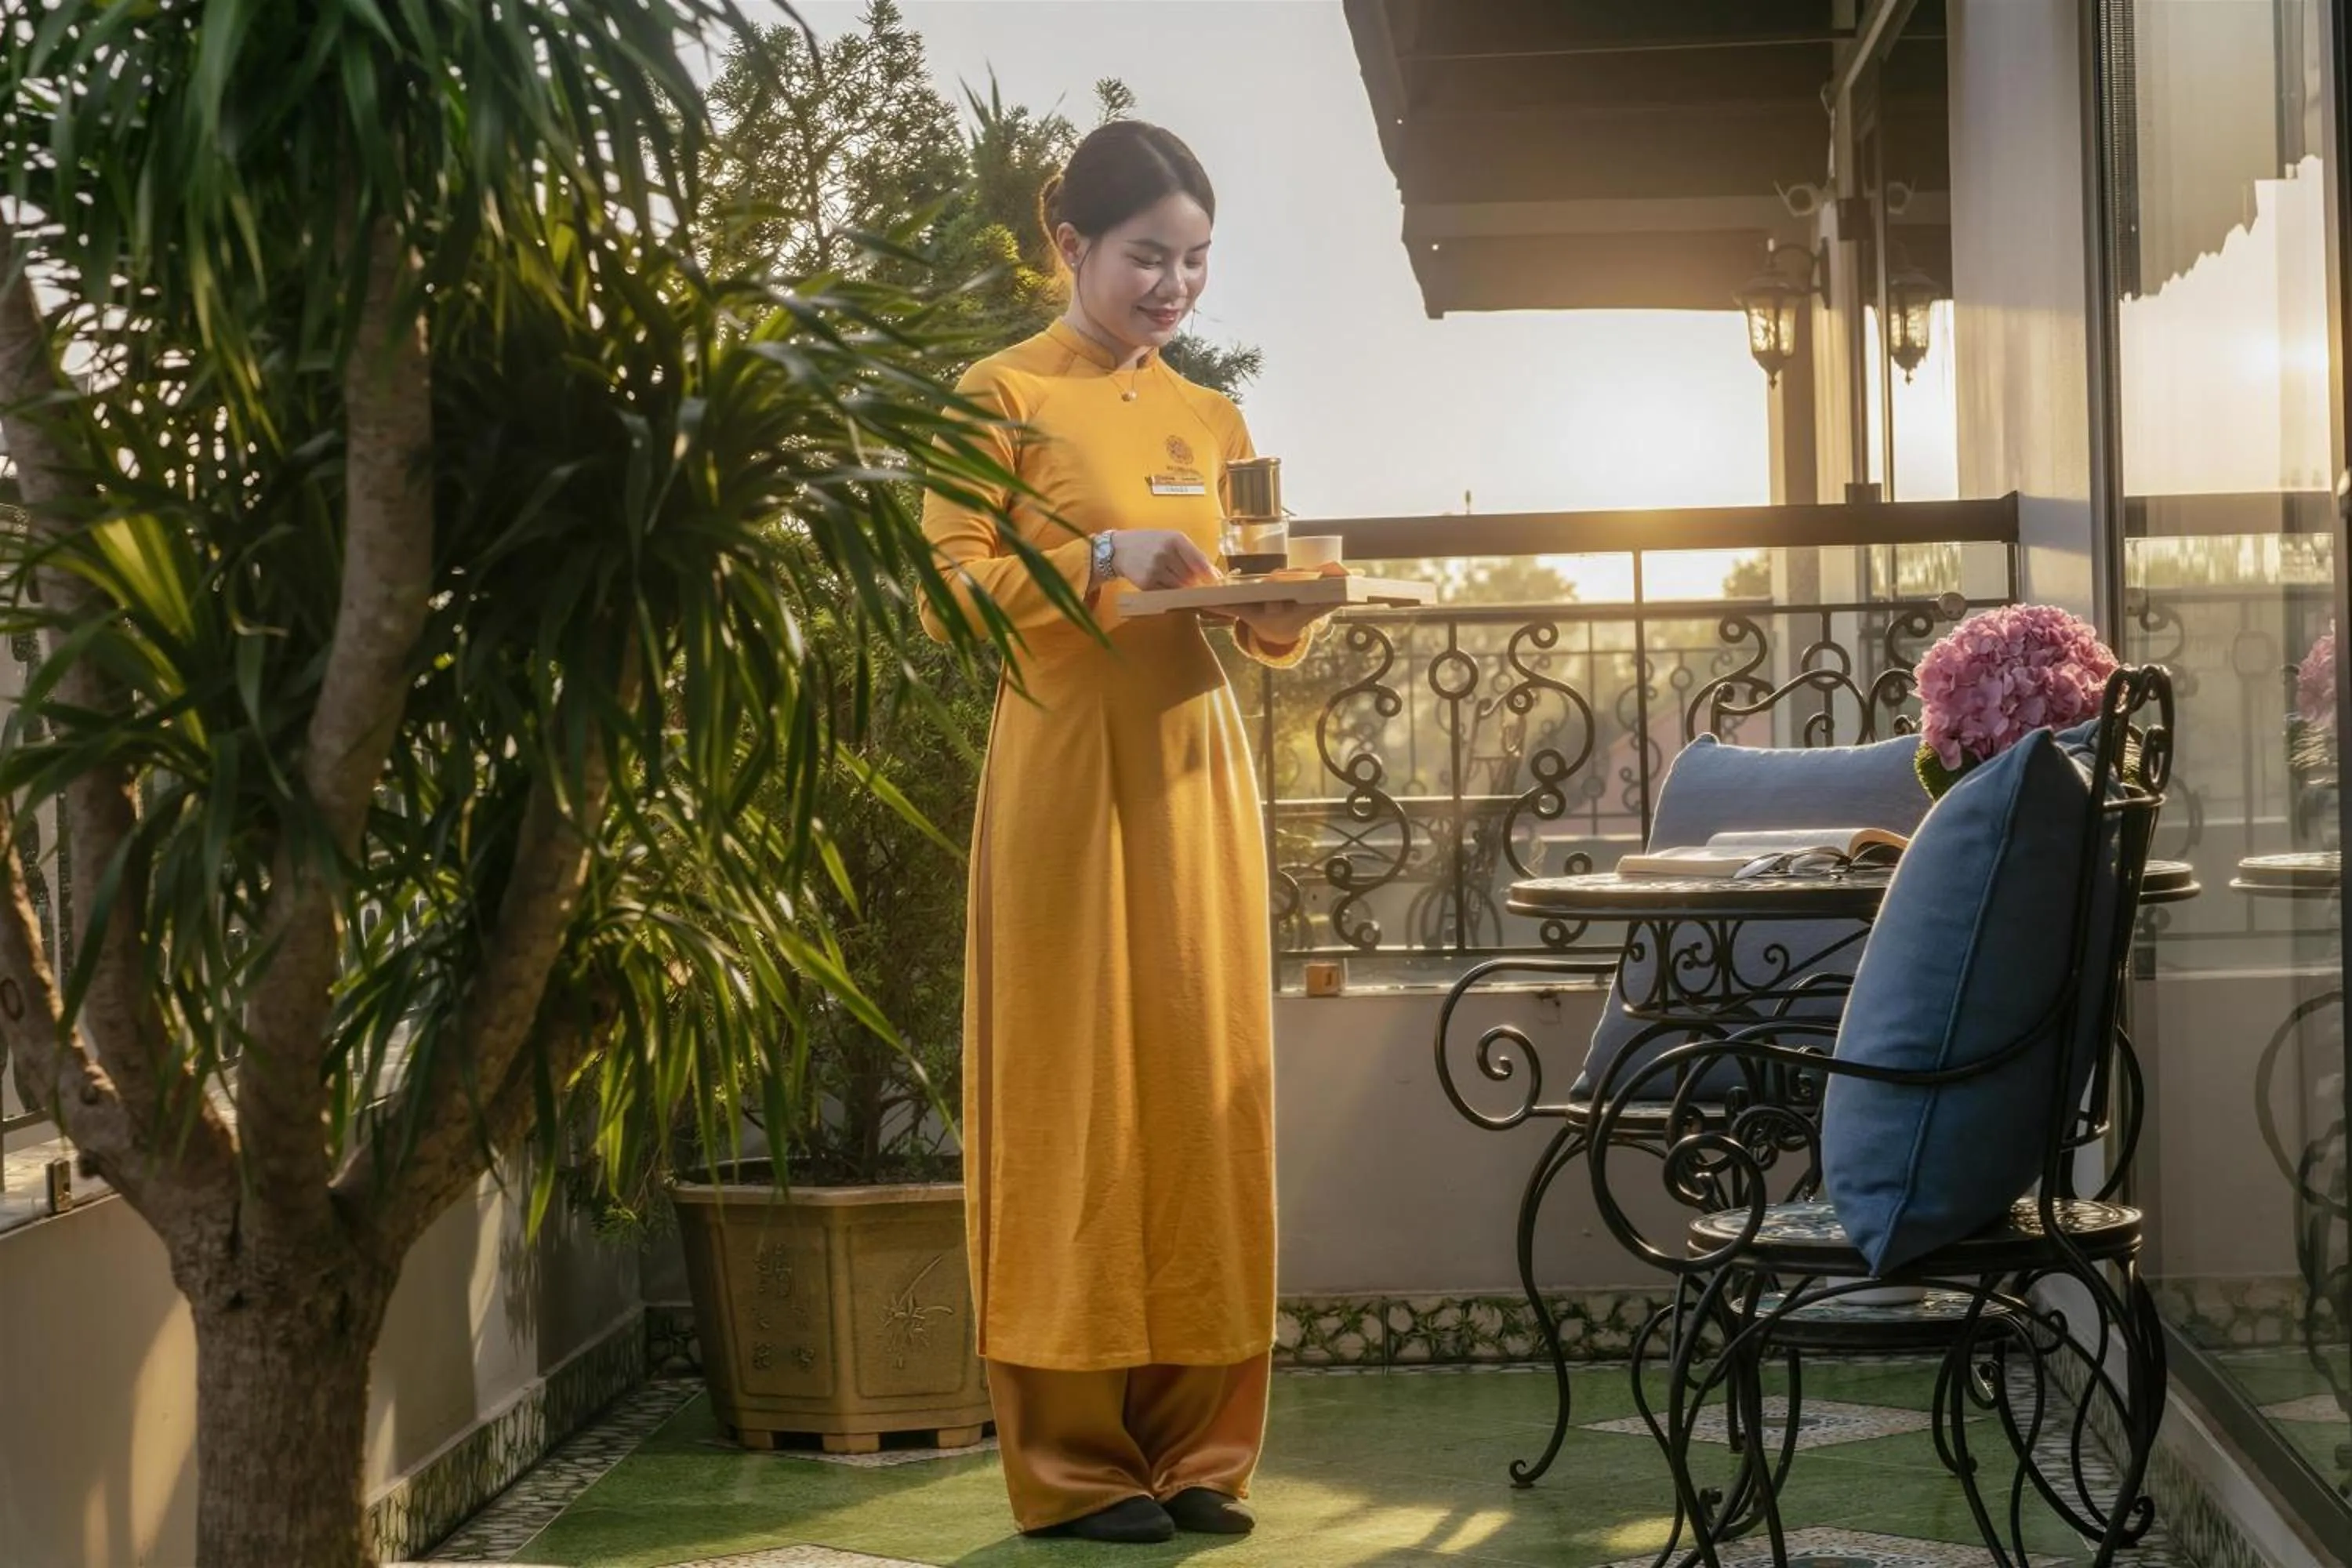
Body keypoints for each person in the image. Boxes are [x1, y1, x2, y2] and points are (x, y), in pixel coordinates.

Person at [918, 119, 1329, 1545]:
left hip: (1193, 770)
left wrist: (1275, 609)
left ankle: (1202, 1450)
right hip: (1060, 764)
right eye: (1149, 256)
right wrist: (1099, 557)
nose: (1174, 286)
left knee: (1204, 1089)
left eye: (1197, 261)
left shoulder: (1211, 419)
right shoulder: (998, 393)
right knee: (1072, 1093)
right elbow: (943, 586)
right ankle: (1078, 1463)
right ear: (1071, 243)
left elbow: (1245, 587)